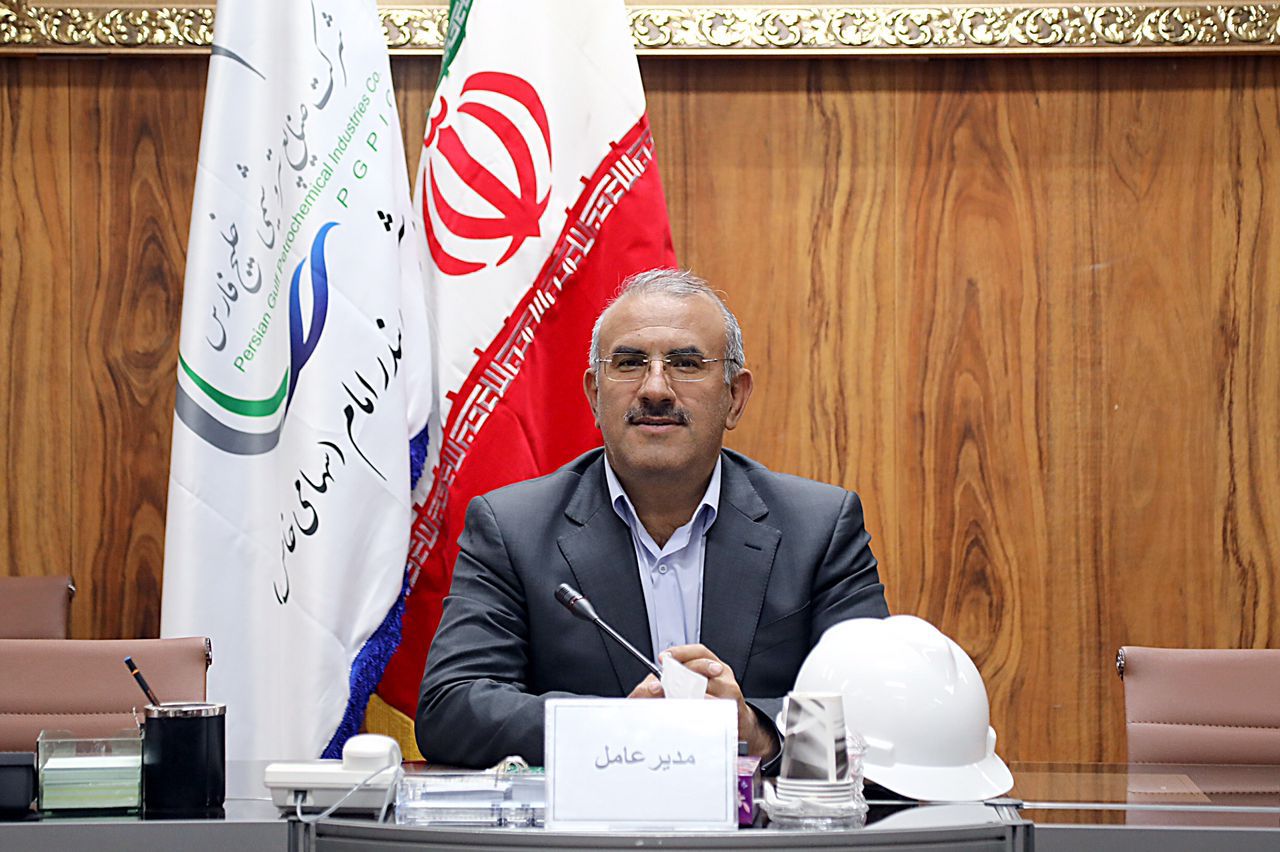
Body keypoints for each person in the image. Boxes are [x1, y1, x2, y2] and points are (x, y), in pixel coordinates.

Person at [416, 268, 889, 769]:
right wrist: (618, 727)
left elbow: (878, 715)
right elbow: (451, 706)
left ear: (735, 396)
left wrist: (757, 730)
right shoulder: (513, 528)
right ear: (595, 396)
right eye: (629, 363)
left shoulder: (819, 528)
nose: (656, 388)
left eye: (686, 364)